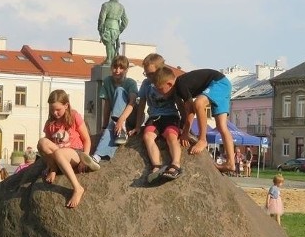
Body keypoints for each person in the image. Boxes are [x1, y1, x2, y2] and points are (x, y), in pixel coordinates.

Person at [153, 67, 235, 174]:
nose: (160, 92)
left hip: (218, 83)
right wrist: (184, 130)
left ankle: (202, 139)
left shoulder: (181, 84)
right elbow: (186, 110)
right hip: (224, 86)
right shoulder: (177, 90)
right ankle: (231, 163)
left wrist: (186, 132)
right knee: (222, 127)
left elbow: (191, 109)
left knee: (199, 103)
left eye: (160, 89)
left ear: (169, 84)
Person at [37, 89, 99, 208]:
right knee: (42, 142)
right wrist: (49, 164)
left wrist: (84, 159)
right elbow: (48, 146)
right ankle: (54, 168)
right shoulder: (50, 123)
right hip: (57, 154)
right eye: (52, 110)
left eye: (58, 110)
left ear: (66, 105)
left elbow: (86, 139)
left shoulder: (74, 116)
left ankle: (77, 188)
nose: (55, 113)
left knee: (59, 153)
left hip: (75, 153)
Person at [131, 54, 183, 184]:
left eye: (151, 74)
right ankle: (156, 166)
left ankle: (175, 165)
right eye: (146, 74)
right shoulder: (146, 84)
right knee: (148, 136)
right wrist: (138, 126)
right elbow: (142, 104)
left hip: (170, 116)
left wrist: (185, 127)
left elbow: (179, 103)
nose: (148, 77)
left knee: (171, 136)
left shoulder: (169, 81)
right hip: (154, 117)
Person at [90, 55, 138, 165]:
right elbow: (107, 105)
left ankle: (122, 129)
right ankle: (97, 156)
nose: (117, 71)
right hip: (116, 119)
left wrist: (121, 120)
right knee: (110, 128)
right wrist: (104, 126)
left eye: (121, 68)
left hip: (130, 116)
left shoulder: (131, 83)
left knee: (120, 90)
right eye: (115, 68)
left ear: (126, 70)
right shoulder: (107, 81)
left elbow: (132, 103)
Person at [97, 0, 128, 65]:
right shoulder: (121, 7)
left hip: (107, 26)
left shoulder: (106, 5)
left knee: (109, 43)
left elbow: (102, 18)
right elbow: (125, 21)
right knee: (112, 44)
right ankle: (111, 59)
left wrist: (100, 28)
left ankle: (109, 59)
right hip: (116, 27)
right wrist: (120, 30)